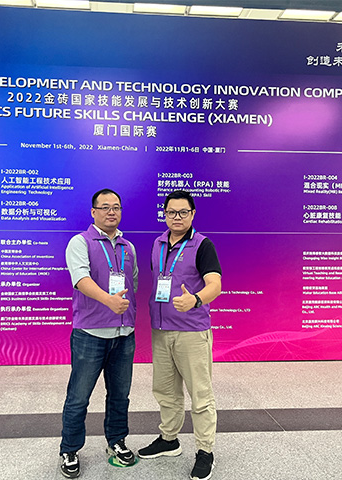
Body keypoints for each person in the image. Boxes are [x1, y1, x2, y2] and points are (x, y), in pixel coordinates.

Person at [138, 190, 222, 480]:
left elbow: (215, 284)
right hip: (161, 331)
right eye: (171, 212)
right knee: (165, 391)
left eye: (183, 212)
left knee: (200, 394)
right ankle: (169, 440)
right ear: (164, 214)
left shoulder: (203, 245)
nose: (177, 217)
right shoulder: (158, 244)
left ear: (192, 214)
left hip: (191, 333)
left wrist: (195, 299)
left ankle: (205, 451)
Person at [59, 188, 138, 478]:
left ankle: (116, 441)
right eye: (105, 207)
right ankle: (69, 449)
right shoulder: (80, 242)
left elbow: (133, 282)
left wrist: (125, 313)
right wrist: (108, 301)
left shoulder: (128, 247)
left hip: (124, 334)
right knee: (79, 396)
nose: (111, 212)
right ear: (93, 212)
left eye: (116, 207)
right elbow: (81, 279)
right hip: (90, 334)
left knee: (120, 395)